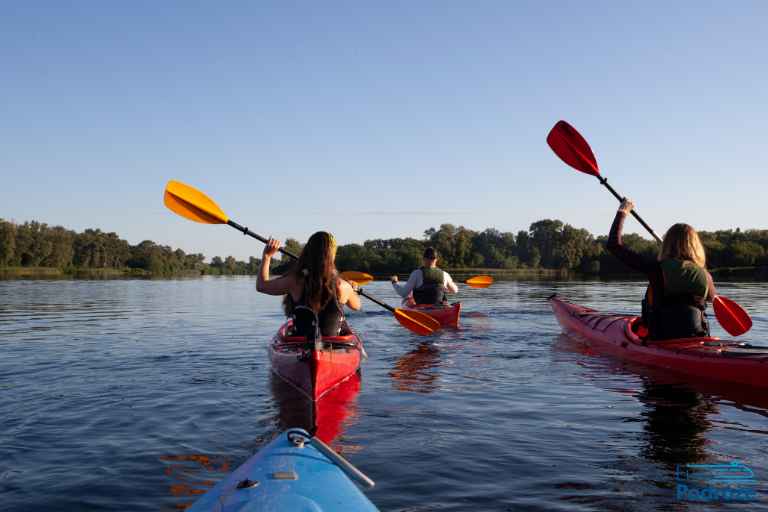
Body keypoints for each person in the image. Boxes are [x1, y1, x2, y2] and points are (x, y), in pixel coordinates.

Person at [607, 198, 716, 341]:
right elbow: (712, 298)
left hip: (662, 339)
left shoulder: (656, 269)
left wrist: (623, 211)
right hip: (697, 338)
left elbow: (614, 245)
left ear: (667, 244)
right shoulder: (706, 276)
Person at [257, 231, 361, 338]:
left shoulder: (295, 281)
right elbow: (357, 306)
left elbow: (262, 286)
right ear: (333, 255)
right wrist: (352, 289)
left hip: (301, 345)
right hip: (334, 346)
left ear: (307, 251)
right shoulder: (343, 286)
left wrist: (267, 256)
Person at [391, 247, 458, 306]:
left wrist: (394, 283)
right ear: (436, 259)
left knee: (408, 299)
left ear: (423, 258)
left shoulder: (416, 273)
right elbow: (455, 291)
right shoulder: (445, 274)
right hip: (440, 308)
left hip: (422, 309)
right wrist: (446, 287)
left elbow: (403, 293)